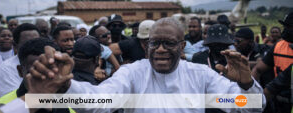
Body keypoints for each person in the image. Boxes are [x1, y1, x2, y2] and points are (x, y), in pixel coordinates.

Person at [30, 17, 265, 113]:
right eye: (155, 43)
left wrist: (246, 83)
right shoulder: (133, 74)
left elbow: (247, 105)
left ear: (182, 47)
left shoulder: (200, 76)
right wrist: (65, 87)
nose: (160, 49)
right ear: (146, 46)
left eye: (168, 43)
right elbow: (100, 101)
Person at [0, 37, 75, 113]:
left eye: (49, 72)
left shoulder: (68, 110)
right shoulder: (1, 106)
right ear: (20, 71)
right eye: (35, 72)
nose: (43, 79)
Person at [252, 12, 293, 113]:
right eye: (284, 26)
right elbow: (258, 69)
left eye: (288, 26)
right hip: (279, 104)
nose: (285, 30)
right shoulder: (279, 46)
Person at [0, 23, 40, 98]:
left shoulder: (51, 62)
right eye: (27, 43)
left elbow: (65, 100)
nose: (33, 46)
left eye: (37, 42)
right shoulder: (6, 68)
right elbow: (15, 101)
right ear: (15, 45)